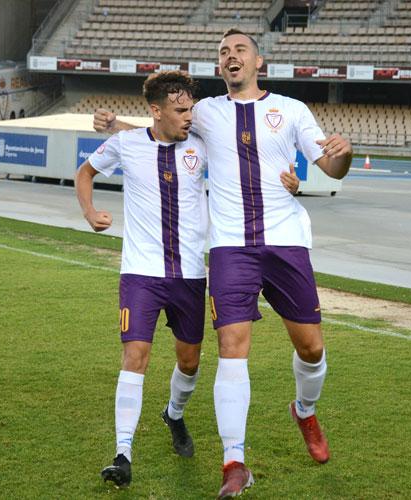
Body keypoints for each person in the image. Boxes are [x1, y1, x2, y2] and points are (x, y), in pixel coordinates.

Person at [94, 29, 352, 498]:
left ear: (259, 62)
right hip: (231, 247)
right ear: (220, 67)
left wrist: (343, 156)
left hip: (287, 242)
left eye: (240, 51)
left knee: (311, 349)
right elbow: (158, 128)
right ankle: (235, 462)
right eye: (223, 52)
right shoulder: (207, 112)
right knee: (232, 345)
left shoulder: (292, 110)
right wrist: (114, 124)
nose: (231, 57)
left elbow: (330, 168)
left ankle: (305, 410)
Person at [76, 71, 208, 489]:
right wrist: (89, 212)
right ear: (156, 110)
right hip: (141, 273)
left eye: (190, 108)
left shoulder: (201, 148)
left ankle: (174, 413)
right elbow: (85, 173)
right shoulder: (126, 145)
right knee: (135, 356)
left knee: (189, 361)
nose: (190, 116)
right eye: (180, 109)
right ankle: (122, 453)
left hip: (190, 273)